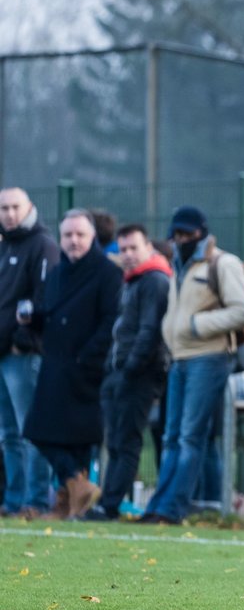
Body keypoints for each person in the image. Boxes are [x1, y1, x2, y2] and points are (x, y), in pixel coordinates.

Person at [141, 205, 244, 525]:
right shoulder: (179, 264)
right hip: (180, 359)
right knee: (172, 435)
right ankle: (159, 504)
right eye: (176, 235)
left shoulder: (224, 263)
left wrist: (195, 325)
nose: (180, 240)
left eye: (186, 234)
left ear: (201, 233)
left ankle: (171, 508)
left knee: (191, 436)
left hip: (209, 357)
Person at [23, 209, 122, 518]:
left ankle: (70, 498)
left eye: (80, 234)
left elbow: (110, 320)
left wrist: (88, 356)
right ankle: (73, 490)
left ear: (92, 237)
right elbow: (51, 313)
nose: (73, 241)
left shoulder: (107, 273)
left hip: (86, 367)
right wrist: (33, 319)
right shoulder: (56, 273)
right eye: (67, 235)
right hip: (56, 363)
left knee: (76, 438)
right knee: (39, 430)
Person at [85, 224, 171, 521]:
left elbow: (149, 331)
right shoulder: (132, 281)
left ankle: (109, 505)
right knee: (117, 441)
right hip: (119, 370)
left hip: (138, 374)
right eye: (123, 250)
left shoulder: (155, 281)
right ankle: (107, 502)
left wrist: (130, 368)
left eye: (134, 248)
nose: (128, 255)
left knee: (127, 440)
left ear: (148, 247)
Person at [0, 186, 58, 516]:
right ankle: (13, 500)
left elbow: (44, 298)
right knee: (8, 434)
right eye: (4, 207)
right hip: (2, 355)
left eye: (14, 207)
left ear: (29, 208)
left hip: (24, 356)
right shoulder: (5, 245)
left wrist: (22, 338)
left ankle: (37, 500)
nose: (9, 213)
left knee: (31, 431)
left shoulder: (43, 245)